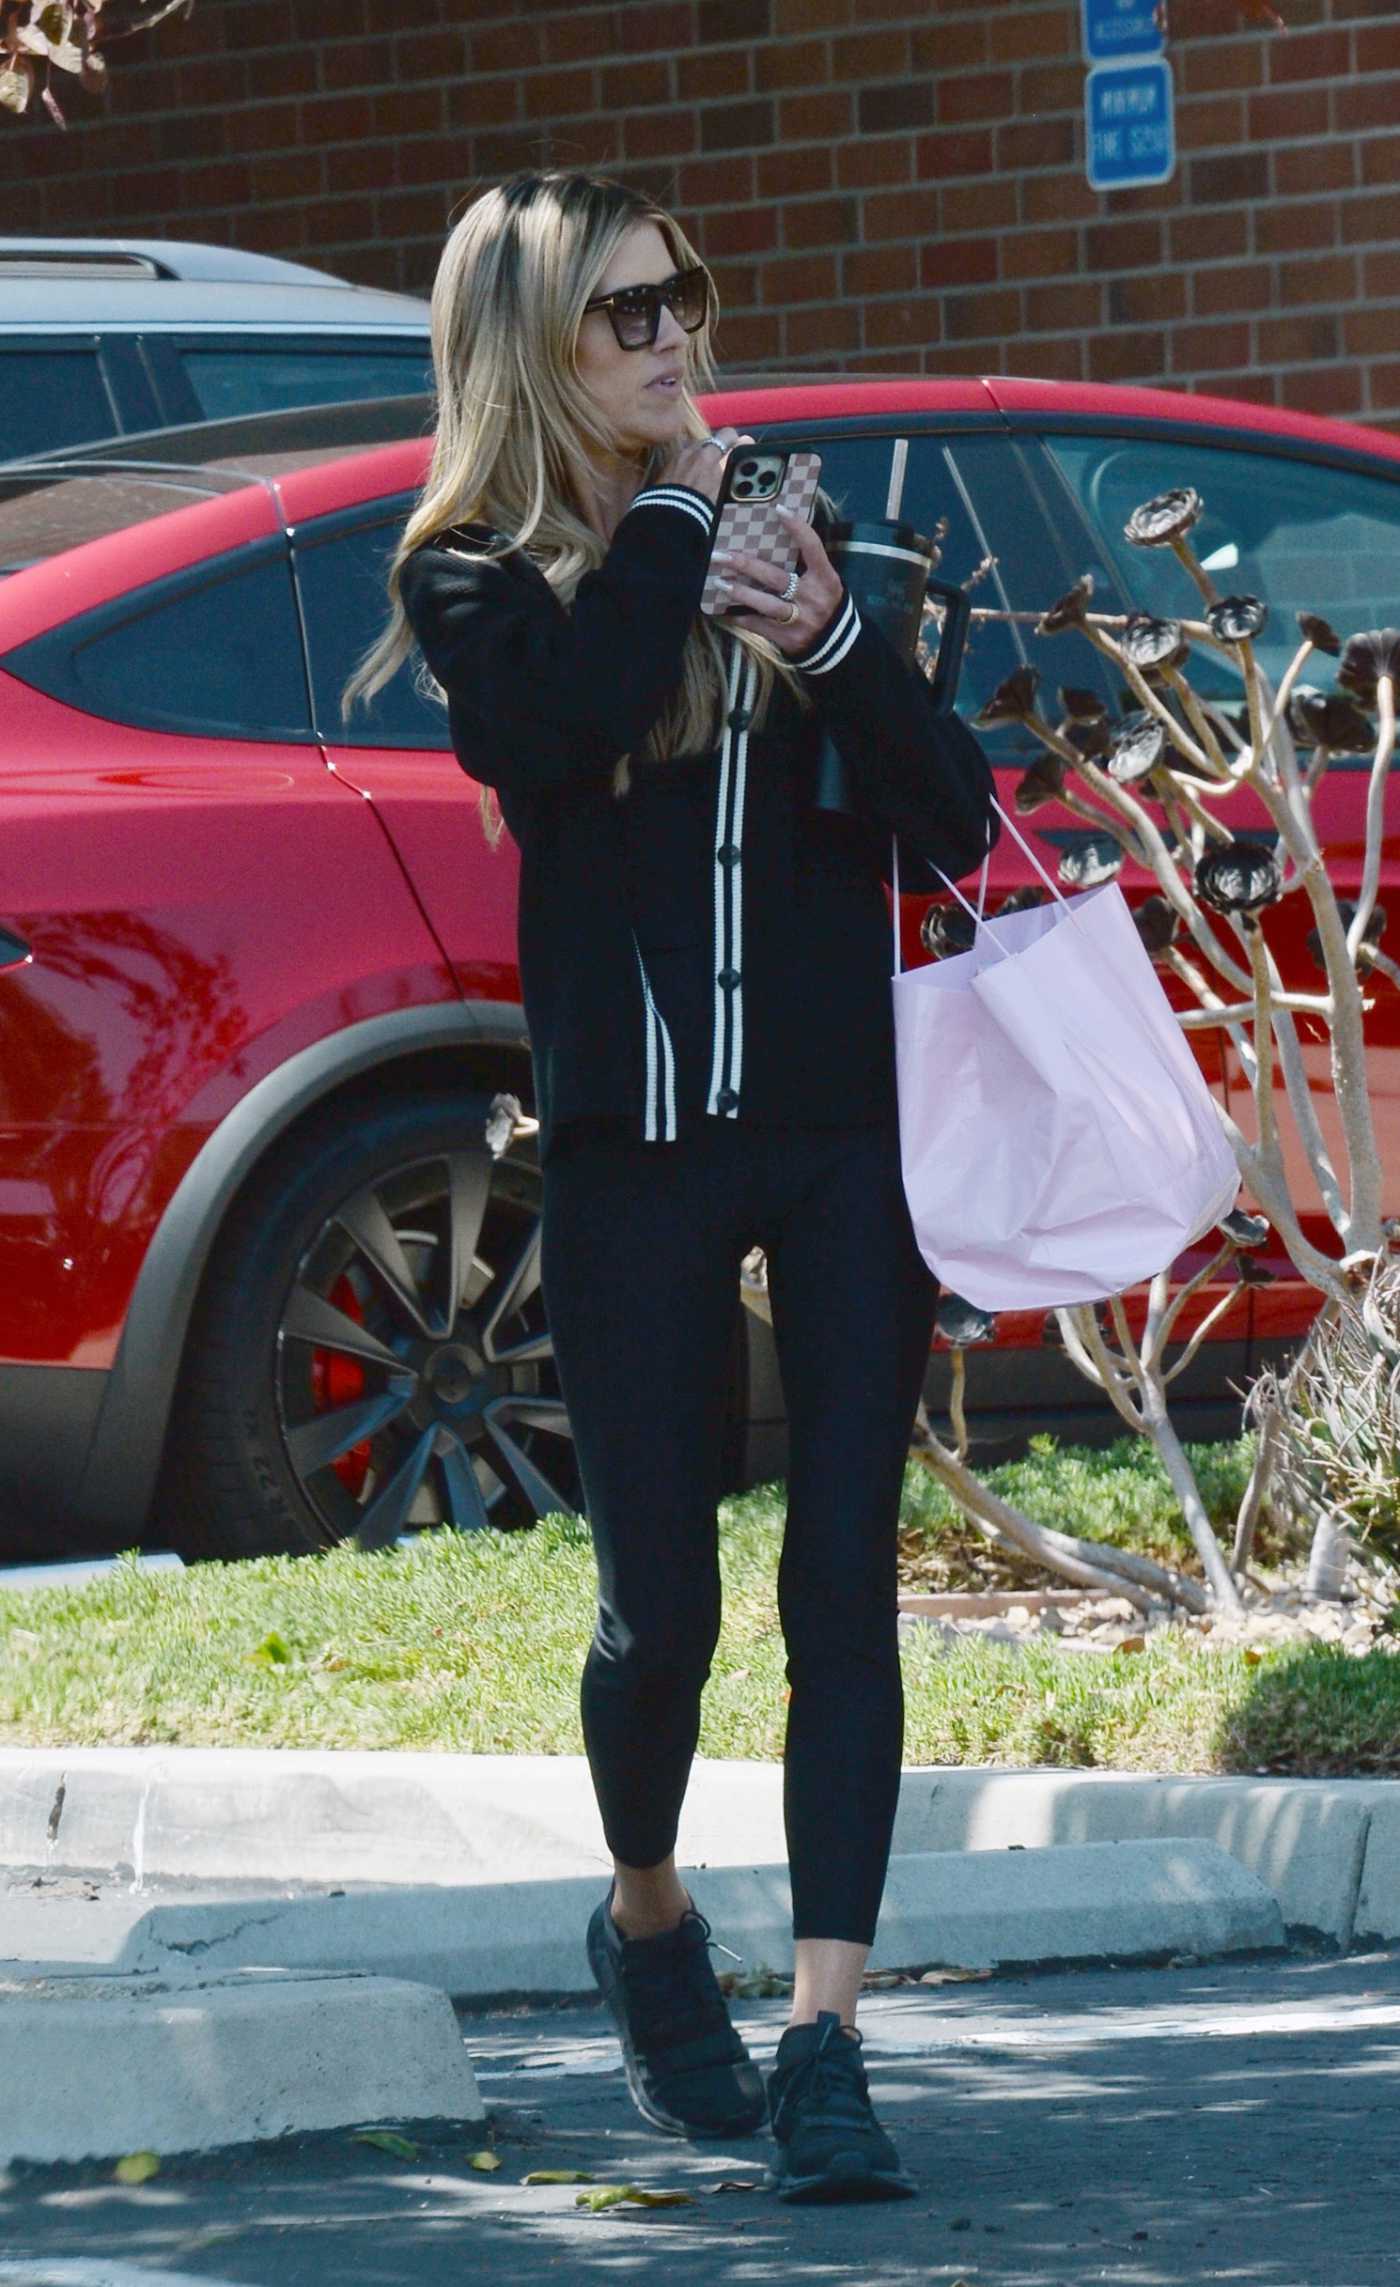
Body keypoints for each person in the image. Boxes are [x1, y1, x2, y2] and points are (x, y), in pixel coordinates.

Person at [348, 167, 997, 2205]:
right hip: (629, 1150)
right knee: (659, 1615)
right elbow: (572, 723)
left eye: (678, 302)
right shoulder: (474, 572)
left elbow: (954, 811)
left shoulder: (783, 528)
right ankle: (644, 1918)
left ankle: (823, 2039)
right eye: (623, 314)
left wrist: (827, 631)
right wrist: (666, 522)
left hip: (835, 1137)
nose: (670, 340)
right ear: (534, 343)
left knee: (837, 1586)